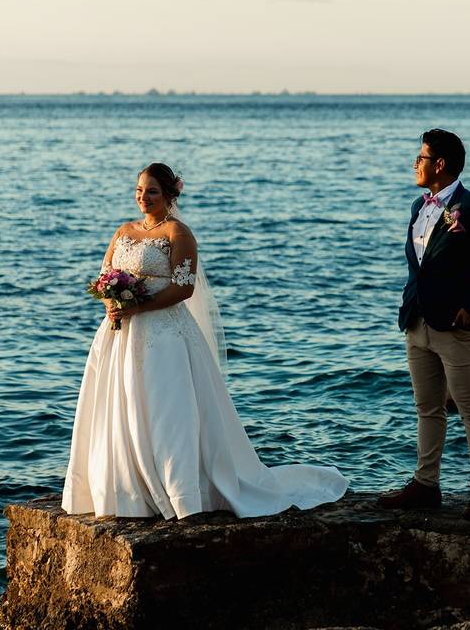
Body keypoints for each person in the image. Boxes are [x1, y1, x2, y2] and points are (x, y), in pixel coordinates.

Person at [62, 163, 348, 519]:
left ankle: (180, 490)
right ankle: (126, 489)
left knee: (167, 409)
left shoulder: (178, 233)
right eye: (139, 191)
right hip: (119, 335)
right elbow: (105, 276)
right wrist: (112, 303)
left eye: (151, 191)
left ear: (169, 195)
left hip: (164, 335)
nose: (143, 198)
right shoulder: (123, 231)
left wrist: (138, 307)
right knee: (120, 406)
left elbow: (183, 288)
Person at [378, 130, 470, 519]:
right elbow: (419, 266)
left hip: (457, 325)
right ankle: (426, 484)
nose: (414, 164)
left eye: (420, 158)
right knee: (427, 407)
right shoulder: (417, 207)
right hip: (417, 321)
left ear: (439, 165)